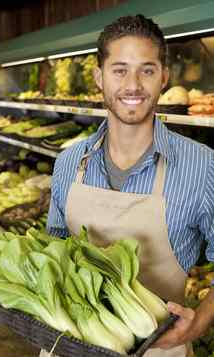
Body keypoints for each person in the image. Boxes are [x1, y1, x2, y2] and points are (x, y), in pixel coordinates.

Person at [45, 14, 214, 357]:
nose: (133, 85)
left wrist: (200, 322)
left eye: (147, 70)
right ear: (99, 78)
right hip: (70, 346)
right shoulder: (68, 164)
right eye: (119, 69)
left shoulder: (203, 166)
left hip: (161, 347)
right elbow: (55, 251)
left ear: (164, 77)